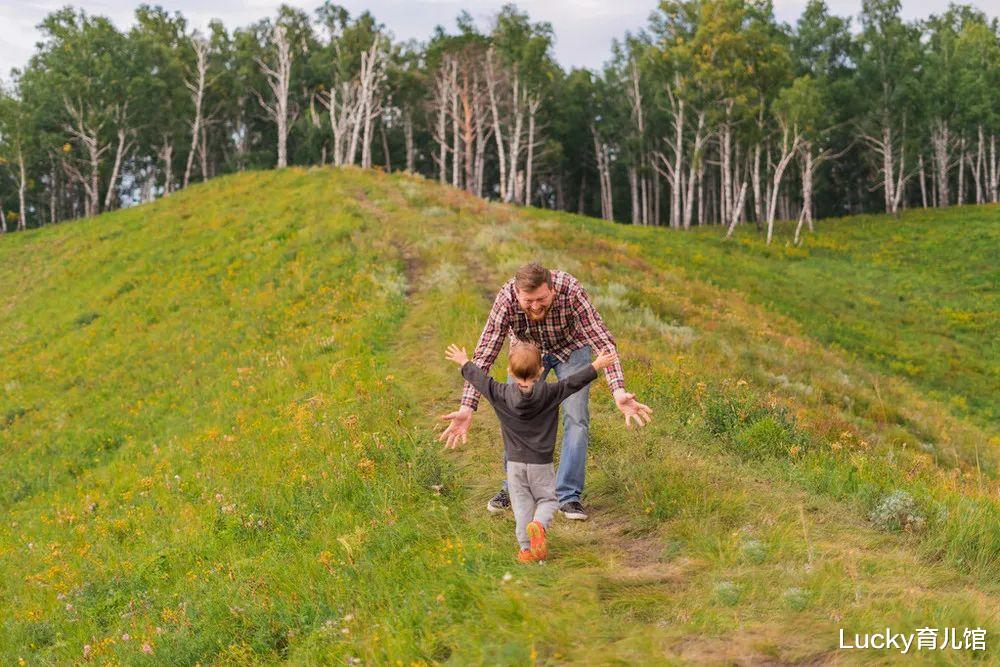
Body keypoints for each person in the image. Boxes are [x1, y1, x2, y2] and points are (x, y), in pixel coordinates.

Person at [438, 263, 652, 521]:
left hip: (570, 350)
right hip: (526, 355)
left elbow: (602, 339)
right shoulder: (506, 299)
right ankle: (513, 488)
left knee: (576, 418)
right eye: (529, 301)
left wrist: (618, 390)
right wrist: (466, 407)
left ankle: (568, 496)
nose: (536, 306)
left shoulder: (571, 290)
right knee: (515, 416)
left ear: (552, 289)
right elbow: (485, 352)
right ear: (517, 294)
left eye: (541, 299)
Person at [444, 341, 619, 562]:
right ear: (541, 370)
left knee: (521, 505)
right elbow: (573, 383)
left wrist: (464, 362)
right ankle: (539, 525)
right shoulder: (550, 391)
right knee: (548, 500)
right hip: (541, 464)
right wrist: (596, 364)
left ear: (509, 371)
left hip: (515, 465)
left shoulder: (500, 392)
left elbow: (481, 380)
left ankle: (526, 549)